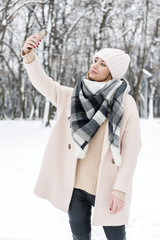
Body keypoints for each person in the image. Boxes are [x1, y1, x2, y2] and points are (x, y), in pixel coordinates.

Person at [21, 33, 142, 240]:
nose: (95, 65)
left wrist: (120, 190)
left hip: (108, 187)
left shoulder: (125, 103)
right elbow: (44, 84)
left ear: (113, 72)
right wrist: (29, 55)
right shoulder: (73, 96)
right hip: (76, 187)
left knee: (116, 238)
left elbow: (131, 150)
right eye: (96, 60)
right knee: (80, 237)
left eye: (103, 64)